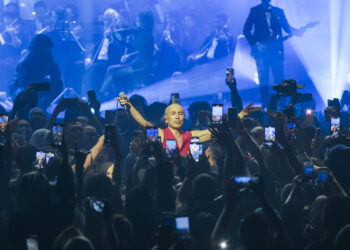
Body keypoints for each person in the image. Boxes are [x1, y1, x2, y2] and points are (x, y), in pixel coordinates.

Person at [243, 0, 298, 108]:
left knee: (279, 77)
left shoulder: (278, 11)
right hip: (261, 51)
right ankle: (265, 105)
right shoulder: (255, 10)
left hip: (276, 50)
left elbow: (288, 28)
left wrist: (299, 31)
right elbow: (246, 30)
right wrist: (256, 44)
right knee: (263, 78)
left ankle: (282, 105)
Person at [116, 95, 211, 156]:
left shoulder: (190, 135)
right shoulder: (160, 133)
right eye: (173, 114)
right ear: (166, 118)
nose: (177, 117)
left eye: (180, 114)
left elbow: (215, 133)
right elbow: (143, 123)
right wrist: (129, 106)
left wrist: (209, 118)